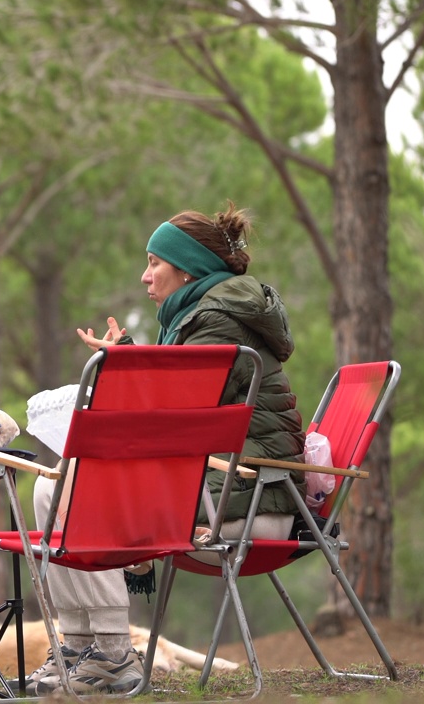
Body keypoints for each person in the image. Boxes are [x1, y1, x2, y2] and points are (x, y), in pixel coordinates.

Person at [25, 202, 305, 695]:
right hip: (221, 486)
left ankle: (113, 657)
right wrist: (131, 359)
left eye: (154, 262)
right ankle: (81, 649)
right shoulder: (201, 315)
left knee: (75, 495)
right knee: (52, 494)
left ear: (188, 268)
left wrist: (122, 373)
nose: (144, 276)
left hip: (249, 496)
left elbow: (173, 418)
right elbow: (180, 406)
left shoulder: (217, 318)